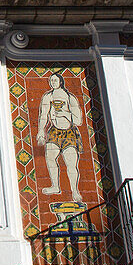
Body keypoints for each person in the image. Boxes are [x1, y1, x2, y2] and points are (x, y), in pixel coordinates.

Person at [36, 73, 83, 201]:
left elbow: (78, 121)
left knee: (71, 163)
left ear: (61, 81)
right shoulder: (48, 96)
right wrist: (41, 130)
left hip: (69, 133)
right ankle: (55, 186)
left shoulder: (70, 97)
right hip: (54, 132)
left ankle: (75, 191)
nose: (52, 82)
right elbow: (43, 115)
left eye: (55, 80)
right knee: (50, 158)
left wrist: (66, 114)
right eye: (51, 80)